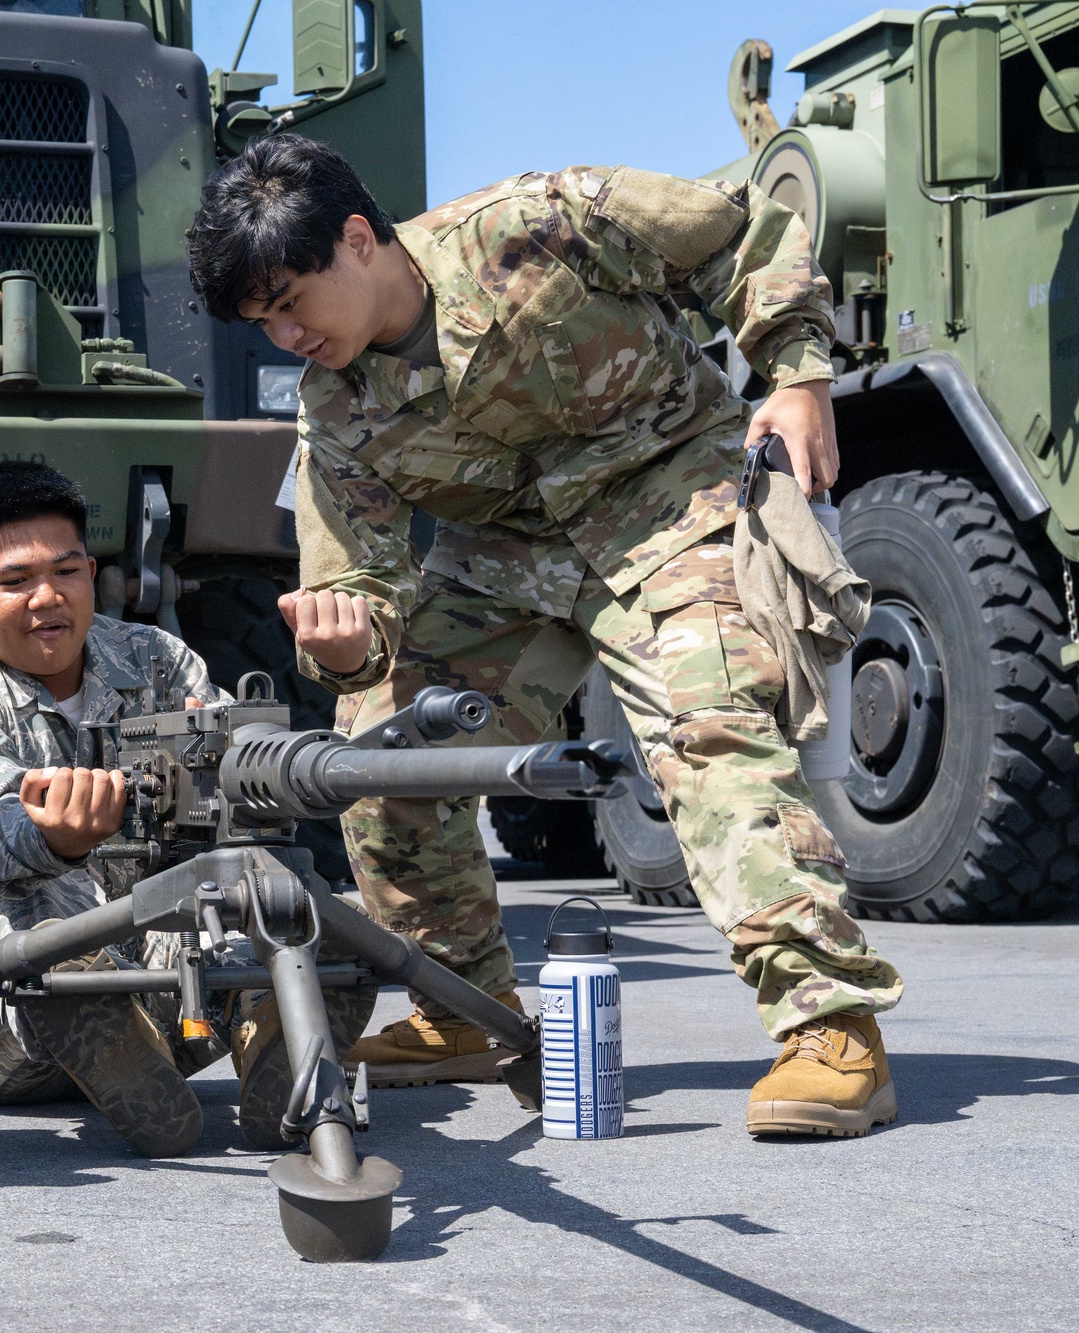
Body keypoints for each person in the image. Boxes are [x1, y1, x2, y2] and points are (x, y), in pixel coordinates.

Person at [187, 136, 903, 1139]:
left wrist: (796, 371)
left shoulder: (544, 224)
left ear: (357, 239)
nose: (284, 338)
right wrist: (348, 646)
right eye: (261, 324)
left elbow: (741, 231)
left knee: (707, 729)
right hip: (502, 561)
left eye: (289, 302)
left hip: (666, 498)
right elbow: (359, 582)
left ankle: (830, 1023)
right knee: (375, 752)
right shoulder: (334, 414)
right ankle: (463, 1011)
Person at [0, 462, 375, 1154]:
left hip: (165, 1002)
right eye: (14, 581)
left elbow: (243, 773)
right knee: (46, 931)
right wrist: (52, 835)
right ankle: (103, 1021)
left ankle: (274, 1054)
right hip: (0, 1029)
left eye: (66, 572)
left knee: (322, 917)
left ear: (91, 573)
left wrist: (258, 763)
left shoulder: (154, 659)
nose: (47, 598)